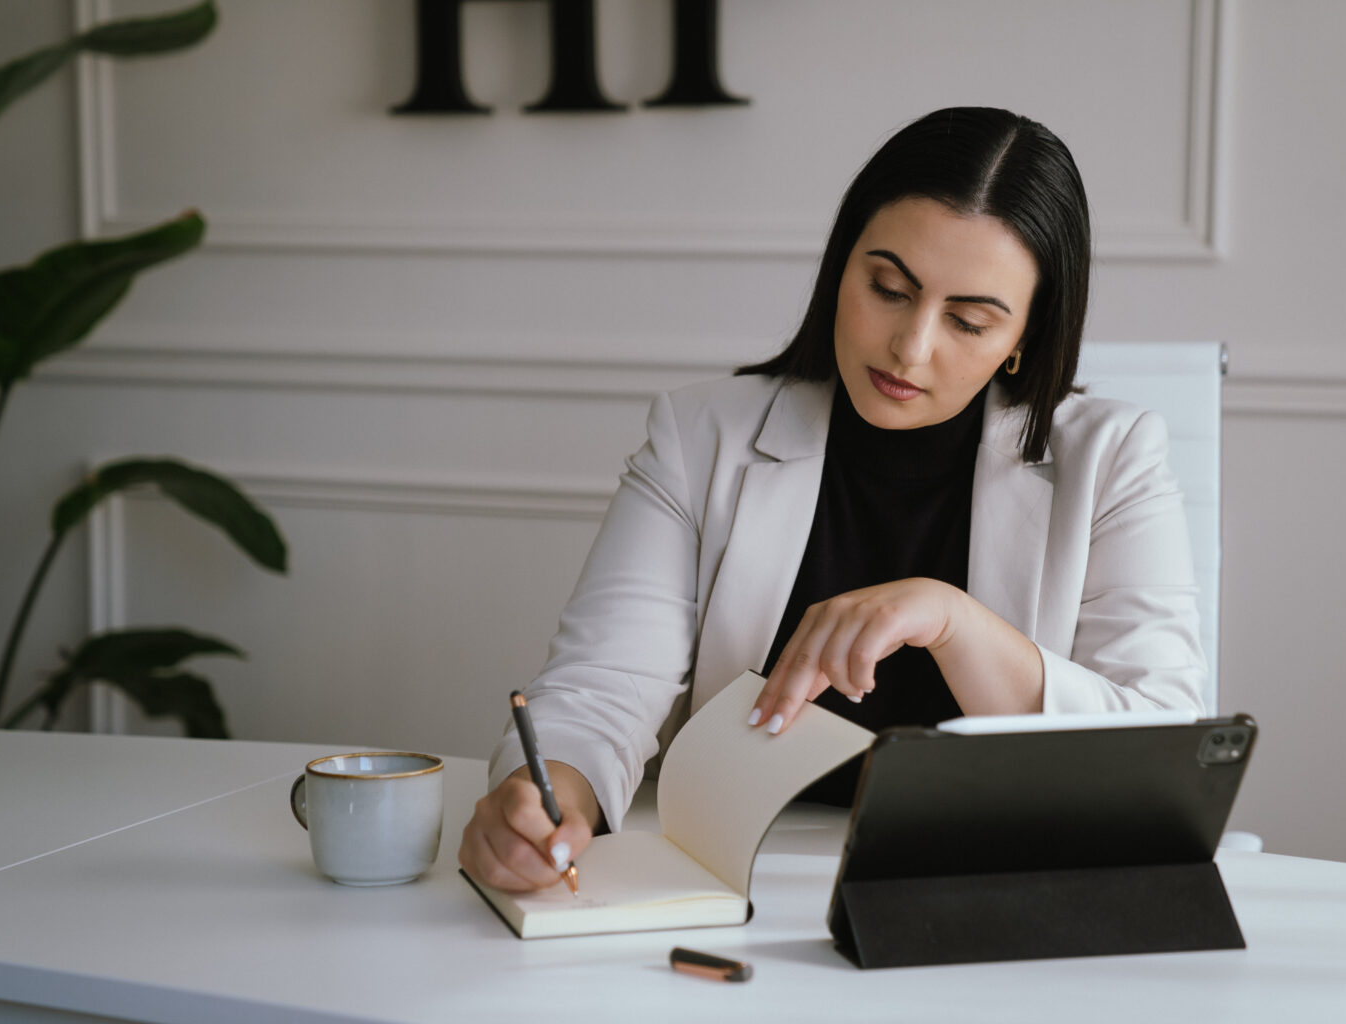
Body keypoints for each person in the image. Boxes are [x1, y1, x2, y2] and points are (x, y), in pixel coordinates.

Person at [458, 106, 1207, 893]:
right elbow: (599, 689)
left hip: (995, 889)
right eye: (888, 288)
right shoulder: (699, 435)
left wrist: (952, 621)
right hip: (743, 884)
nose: (910, 349)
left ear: (1024, 335)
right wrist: (548, 801)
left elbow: (1163, 751)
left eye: (969, 321)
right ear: (841, 264)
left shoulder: (1114, 459)